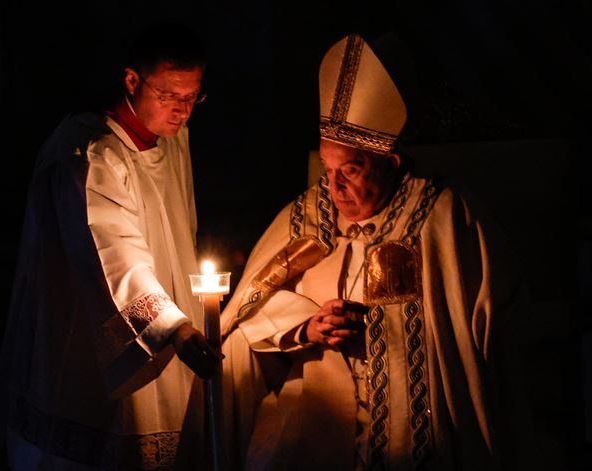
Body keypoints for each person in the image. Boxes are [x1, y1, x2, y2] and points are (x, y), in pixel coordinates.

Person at [220, 33, 529, 470]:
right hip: (312, 420)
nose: (334, 187)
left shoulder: (439, 217)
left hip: (416, 420)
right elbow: (245, 319)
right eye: (328, 170)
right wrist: (304, 326)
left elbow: (486, 327)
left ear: (391, 164)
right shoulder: (306, 216)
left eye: (350, 168)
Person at [0, 21, 219, 470]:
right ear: (132, 80)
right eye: (170, 95)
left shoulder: (173, 141)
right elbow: (112, 251)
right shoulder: (91, 153)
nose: (182, 111)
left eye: (193, 97)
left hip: (172, 322)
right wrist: (172, 327)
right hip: (100, 338)